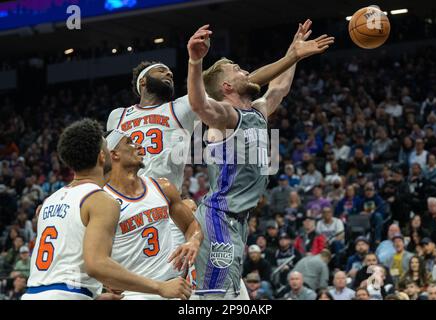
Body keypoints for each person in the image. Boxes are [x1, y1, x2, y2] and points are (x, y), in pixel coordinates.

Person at [106, 21, 316, 278]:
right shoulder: (117, 115)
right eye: (161, 71)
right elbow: (106, 160)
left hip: (166, 203)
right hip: (125, 201)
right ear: (142, 83)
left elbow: (240, 85)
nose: (169, 74)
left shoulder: (180, 107)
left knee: (174, 281)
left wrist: (290, 57)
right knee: (121, 278)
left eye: (170, 71)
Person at [186, 23, 334, 299]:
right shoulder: (225, 118)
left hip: (239, 221)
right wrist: (195, 61)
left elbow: (278, 88)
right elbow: (199, 105)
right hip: (219, 217)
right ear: (227, 86)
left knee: (231, 294)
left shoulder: (258, 111)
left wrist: (295, 53)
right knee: (213, 298)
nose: (246, 71)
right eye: (239, 70)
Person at [22, 119, 191, 300]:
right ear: (103, 156)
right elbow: (97, 265)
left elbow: (62, 267)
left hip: (33, 293)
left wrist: (96, 297)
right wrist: (159, 287)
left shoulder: (49, 201)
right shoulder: (100, 200)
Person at [103, 129, 203, 299]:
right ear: (114, 154)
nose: (139, 147)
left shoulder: (162, 187)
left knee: (191, 205)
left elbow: (191, 225)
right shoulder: (101, 200)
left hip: (178, 286)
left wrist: (193, 241)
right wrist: (105, 282)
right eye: (129, 142)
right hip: (138, 292)